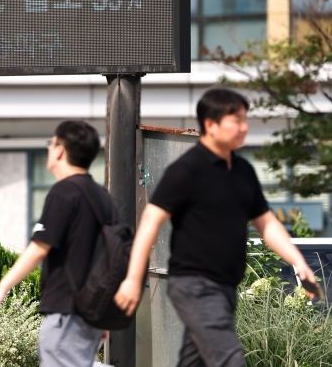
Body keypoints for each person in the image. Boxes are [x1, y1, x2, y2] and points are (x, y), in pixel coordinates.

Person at [114, 88, 319, 367]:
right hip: (194, 284)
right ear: (210, 125)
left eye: (245, 119)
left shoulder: (243, 171)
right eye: (236, 120)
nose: (244, 127)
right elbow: (150, 220)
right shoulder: (187, 169)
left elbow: (267, 223)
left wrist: (298, 261)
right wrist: (132, 278)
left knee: (195, 360)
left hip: (223, 287)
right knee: (228, 359)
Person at [0, 121, 112, 367]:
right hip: (93, 312)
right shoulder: (101, 196)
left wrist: (1, 289)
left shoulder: (63, 193)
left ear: (60, 150)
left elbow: (39, 248)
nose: (50, 149)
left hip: (67, 311)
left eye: (51, 143)